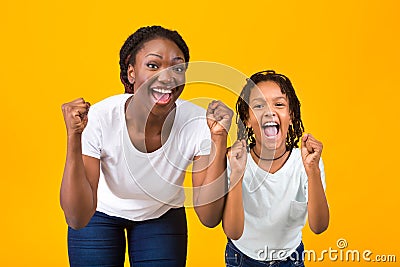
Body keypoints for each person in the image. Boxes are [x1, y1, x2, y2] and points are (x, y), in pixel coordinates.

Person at [60, 25, 233, 267]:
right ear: (131, 72)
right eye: (153, 65)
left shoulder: (198, 123)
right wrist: (73, 137)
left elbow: (209, 216)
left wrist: (219, 138)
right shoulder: (100, 117)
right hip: (99, 212)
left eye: (177, 67)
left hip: (161, 214)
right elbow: (77, 218)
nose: (167, 76)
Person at [222, 70, 329, 266]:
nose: (269, 111)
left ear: (291, 115)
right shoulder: (236, 160)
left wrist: (312, 170)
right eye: (258, 106)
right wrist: (236, 174)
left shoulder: (306, 162)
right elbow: (233, 231)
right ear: (247, 119)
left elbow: (319, 226)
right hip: (242, 259)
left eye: (279, 104)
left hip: (291, 259)